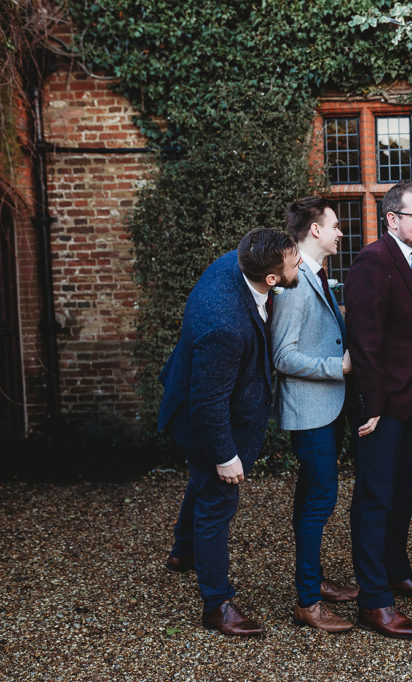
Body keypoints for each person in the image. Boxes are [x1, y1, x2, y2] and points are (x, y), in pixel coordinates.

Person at [160, 228, 300, 636]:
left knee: (202, 482)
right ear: (270, 279)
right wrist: (226, 456)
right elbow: (208, 404)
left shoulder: (239, 260)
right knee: (218, 501)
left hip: (203, 395)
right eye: (294, 264)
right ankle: (216, 603)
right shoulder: (225, 324)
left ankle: (182, 553)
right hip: (202, 418)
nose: (300, 267)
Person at [344, 179, 412, 639]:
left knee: (403, 493)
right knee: (375, 499)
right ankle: (374, 600)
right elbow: (363, 342)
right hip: (382, 408)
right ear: (393, 220)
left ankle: (397, 571)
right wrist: (374, 406)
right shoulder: (371, 261)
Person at [270, 196, 358, 633]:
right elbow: (282, 355)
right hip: (309, 411)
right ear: (316, 231)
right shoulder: (291, 281)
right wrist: (335, 366)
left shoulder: (317, 276)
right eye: (336, 225)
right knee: (319, 501)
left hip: (329, 408)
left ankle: (314, 581)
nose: (341, 232)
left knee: (312, 498)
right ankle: (307, 600)